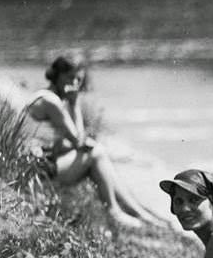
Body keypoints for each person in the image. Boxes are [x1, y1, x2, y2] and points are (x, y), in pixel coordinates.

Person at [24, 55, 162, 228]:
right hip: (38, 172)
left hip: (38, 166)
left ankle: (137, 212)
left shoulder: (45, 97)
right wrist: (74, 104)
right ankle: (116, 212)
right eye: (69, 77)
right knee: (97, 153)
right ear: (57, 76)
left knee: (98, 152)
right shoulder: (51, 102)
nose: (74, 83)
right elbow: (78, 141)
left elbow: (62, 143)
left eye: (78, 79)